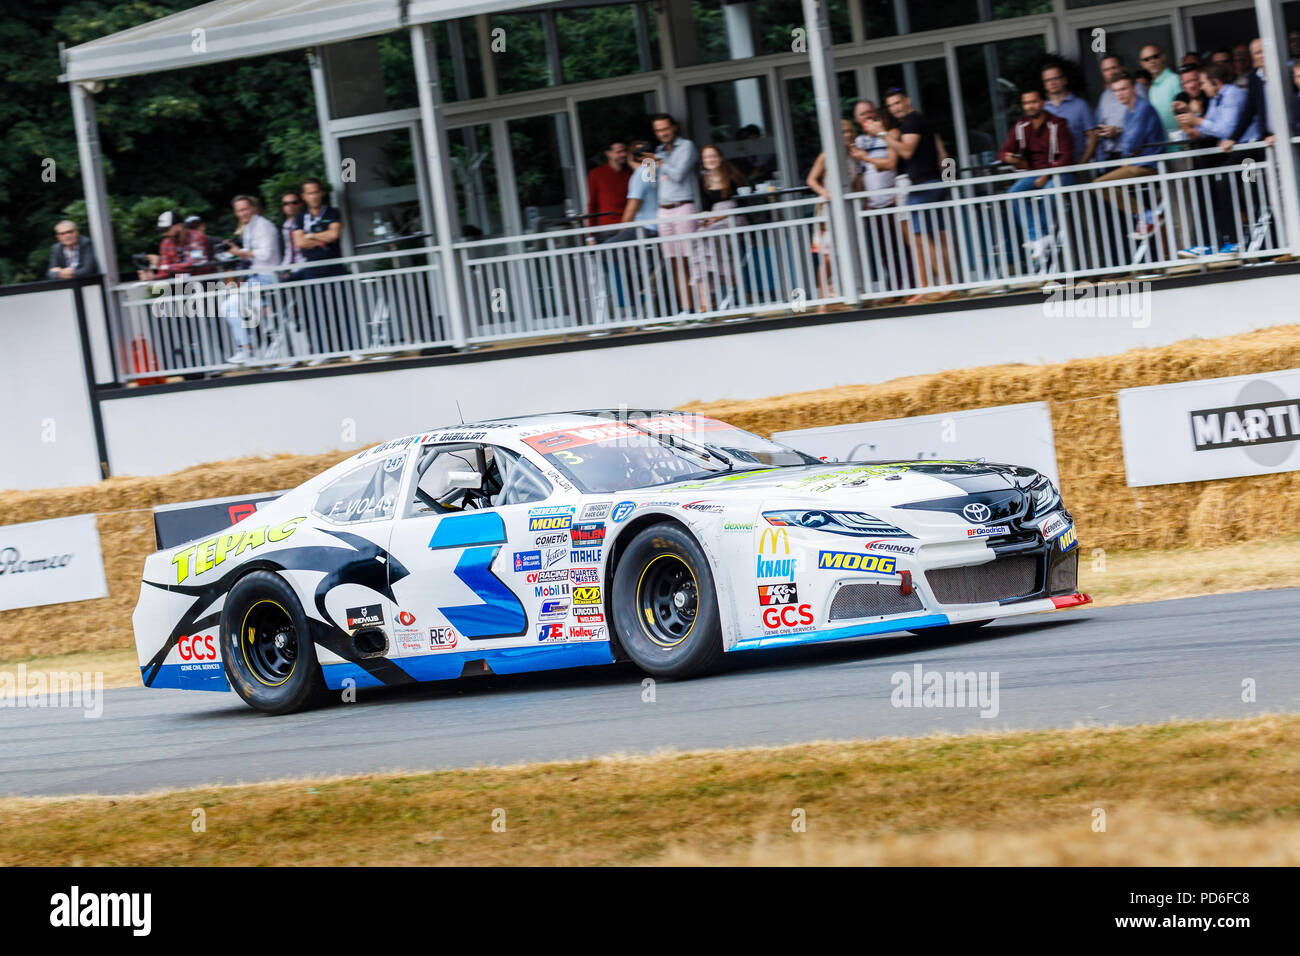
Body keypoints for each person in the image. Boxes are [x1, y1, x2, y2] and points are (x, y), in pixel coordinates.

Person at [876, 87, 954, 303]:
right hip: (933, 183)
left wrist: (882, 134)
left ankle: (947, 285)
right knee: (935, 236)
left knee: (919, 237)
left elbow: (906, 151)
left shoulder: (911, 121)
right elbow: (943, 154)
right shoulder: (921, 120)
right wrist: (948, 181)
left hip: (923, 185)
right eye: (891, 105)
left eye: (898, 103)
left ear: (907, 101)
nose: (895, 108)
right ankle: (949, 283)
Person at [1176, 62, 1259, 256]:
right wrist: (1193, 118)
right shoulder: (1215, 98)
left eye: (1204, 82)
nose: (1202, 87)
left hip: (1250, 151)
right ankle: (1207, 242)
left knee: (1222, 183)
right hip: (1232, 150)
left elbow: (1225, 129)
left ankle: (1233, 240)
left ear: (1215, 82)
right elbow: (1208, 128)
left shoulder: (1233, 94)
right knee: (1201, 178)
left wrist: (1196, 120)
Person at [1000, 89, 1074, 268]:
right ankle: (1037, 237)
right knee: (1013, 193)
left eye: (1033, 102)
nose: (1030, 106)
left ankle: (1041, 235)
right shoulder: (1021, 125)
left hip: (1060, 173)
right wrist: (1009, 157)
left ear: (1043, 102)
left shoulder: (1058, 124)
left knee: (1049, 190)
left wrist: (1047, 174)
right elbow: (1003, 151)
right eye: (1026, 103)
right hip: (1034, 173)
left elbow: (1066, 156)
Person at [1092, 73, 1165, 238]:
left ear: (1133, 88)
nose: (1120, 94)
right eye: (1116, 91)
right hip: (1137, 162)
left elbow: (1131, 142)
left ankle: (1147, 216)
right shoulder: (1129, 111)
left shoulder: (1143, 108)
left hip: (1149, 164)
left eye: (1124, 89)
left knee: (1099, 185)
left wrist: (1128, 152)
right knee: (1102, 184)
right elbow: (1128, 142)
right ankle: (1145, 216)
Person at [649, 113, 702, 314]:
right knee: (674, 261)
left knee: (690, 258)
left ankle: (700, 305)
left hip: (683, 206)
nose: (662, 133)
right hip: (664, 209)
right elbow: (652, 183)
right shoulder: (658, 151)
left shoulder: (686, 146)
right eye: (658, 130)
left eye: (665, 129)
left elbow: (678, 175)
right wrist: (647, 165)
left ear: (674, 128)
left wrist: (659, 161)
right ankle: (685, 309)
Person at [291, 178, 349, 353]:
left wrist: (311, 237)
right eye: (309, 193)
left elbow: (334, 235)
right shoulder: (301, 217)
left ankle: (350, 349)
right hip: (313, 268)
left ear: (321, 193)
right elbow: (299, 242)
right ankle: (321, 352)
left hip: (334, 265)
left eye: (316, 192)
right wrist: (318, 237)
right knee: (316, 312)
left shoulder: (332, 212)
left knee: (342, 309)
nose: (313, 196)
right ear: (304, 196)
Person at [222, 195, 281, 365]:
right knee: (228, 305)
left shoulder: (263, 226)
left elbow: (265, 254)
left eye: (245, 209)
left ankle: (272, 323)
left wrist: (240, 253)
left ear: (253, 208)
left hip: (269, 275)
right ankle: (246, 348)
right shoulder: (248, 228)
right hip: (256, 277)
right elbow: (250, 256)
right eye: (239, 210)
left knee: (239, 296)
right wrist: (237, 252)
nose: (242, 213)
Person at [805, 119, 858, 306]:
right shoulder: (827, 155)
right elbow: (811, 179)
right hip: (828, 211)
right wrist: (824, 192)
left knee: (846, 253)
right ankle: (823, 298)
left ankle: (841, 294)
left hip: (847, 210)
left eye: (850, 131)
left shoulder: (854, 156)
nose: (848, 135)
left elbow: (857, 182)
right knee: (827, 255)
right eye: (844, 132)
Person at [697, 144, 748, 311]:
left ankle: (728, 274)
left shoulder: (732, 175)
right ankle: (708, 293)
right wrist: (706, 218)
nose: (710, 160)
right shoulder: (702, 179)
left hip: (732, 216)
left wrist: (718, 217)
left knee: (712, 235)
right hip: (713, 219)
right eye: (706, 157)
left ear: (720, 157)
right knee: (698, 237)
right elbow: (705, 205)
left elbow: (742, 203)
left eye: (712, 156)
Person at [1042, 63, 1097, 166]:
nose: (1052, 83)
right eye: (1048, 80)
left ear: (1064, 80)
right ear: (1045, 85)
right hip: (1050, 169)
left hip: (1077, 165)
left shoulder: (1081, 105)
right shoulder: (1042, 109)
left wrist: (1082, 164)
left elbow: (1093, 137)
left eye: (1056, 78)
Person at [137, 210, 216, 281]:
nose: (164, 234)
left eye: (166, 229)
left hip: (204, 281)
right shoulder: (166, 243)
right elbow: (164, 271)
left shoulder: (197, 237)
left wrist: (166, 267)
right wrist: (153, 277)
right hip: (181, 283)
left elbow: (194, 264)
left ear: (179, 226)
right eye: (162, 230)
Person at [1096, 54, 1147, 162]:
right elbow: (1099, 125)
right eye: (1106, 70)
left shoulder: (1136, 89)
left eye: (1113, 68)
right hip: (1110, 154)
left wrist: (1118, 130)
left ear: (1122, 68)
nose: (1110, 73)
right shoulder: (1104, 96)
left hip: (1135, 152)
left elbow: (1142, 122)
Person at [586, 140, 632, 235]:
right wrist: (590, 234)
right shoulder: (596, 174)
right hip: (608, 227)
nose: (623, 154)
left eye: (624, 151)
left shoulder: (631, 173)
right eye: (618, 152)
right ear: (608, 154)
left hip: (629, 224)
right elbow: (592, 204)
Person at [1139, 45, 1182, 135]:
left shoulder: (1175, 79)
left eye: (1155, 57)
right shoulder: (1152, 88)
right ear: (1142, 64)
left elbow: (1184, 112)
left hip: (1179, 142)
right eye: (1146, 59)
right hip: (1161, 143)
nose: (1151, 61)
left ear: (1163, 57)